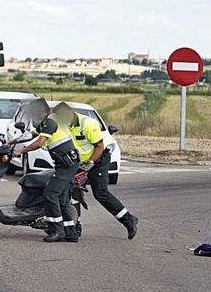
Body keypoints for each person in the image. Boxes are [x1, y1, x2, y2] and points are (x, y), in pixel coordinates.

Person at [54, 102, 138, 240]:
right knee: (73, 192)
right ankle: (75, 227)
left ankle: (129, 220)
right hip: (79, 163)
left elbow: (99, 146)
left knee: (100, 193)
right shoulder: (62, 125)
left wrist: (90, 164)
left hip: (98, 160)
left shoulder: (88, 123)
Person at [13, 98, 81, 243]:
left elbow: (39, 143)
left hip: (67, 165)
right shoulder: (46, 121)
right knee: (62, 200)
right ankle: (71, 233)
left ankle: (57, 231)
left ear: (41, 111)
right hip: (66, 163)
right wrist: (12, 142)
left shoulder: (51, 121)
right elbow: (32, 134)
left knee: (50, 195)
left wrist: (22, 151)